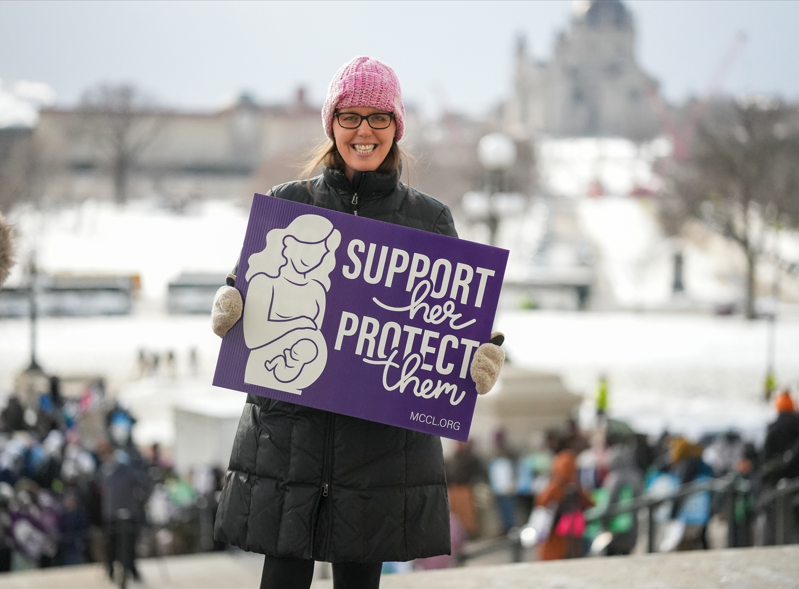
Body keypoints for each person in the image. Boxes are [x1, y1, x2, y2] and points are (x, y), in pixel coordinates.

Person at [211, 56, 506, 589]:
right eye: (350, 116)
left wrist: (478, 356)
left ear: (396, 126)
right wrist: (231, 302)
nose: (364, 131)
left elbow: (448, 325)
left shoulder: (430, 220)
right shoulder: (288, 205)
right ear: (332, 125)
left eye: (379, 117)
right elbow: (250, 289)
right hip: (289, 439)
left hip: (378, 454)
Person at [535, 449, 594, 560]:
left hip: (565, 530)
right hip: (558, 530)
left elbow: (540, 502)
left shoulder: (563, 484)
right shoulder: (560, 485)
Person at [762, 390, 799, 544]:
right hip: (796, 481)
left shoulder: (773, 428)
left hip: (777, 483)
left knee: (776, 523)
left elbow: (765, 457)